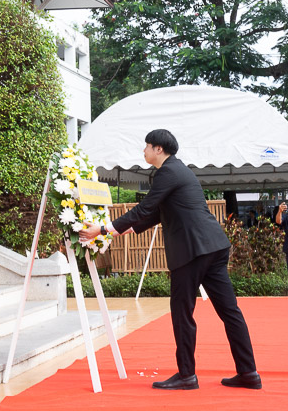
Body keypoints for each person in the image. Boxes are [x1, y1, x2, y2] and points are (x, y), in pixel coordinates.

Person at [80, 129, 260, 390]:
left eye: (146, 147)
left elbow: (145, 208)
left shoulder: (167, 172)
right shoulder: (180, 170)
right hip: (213, 247)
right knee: (230, 312)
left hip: (192, 250)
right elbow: (155, 215)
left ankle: (187, 375)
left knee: (182, 314)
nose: (143, 151)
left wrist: (104, 229)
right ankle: (249, 373)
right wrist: (117, 231)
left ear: (158, 149)